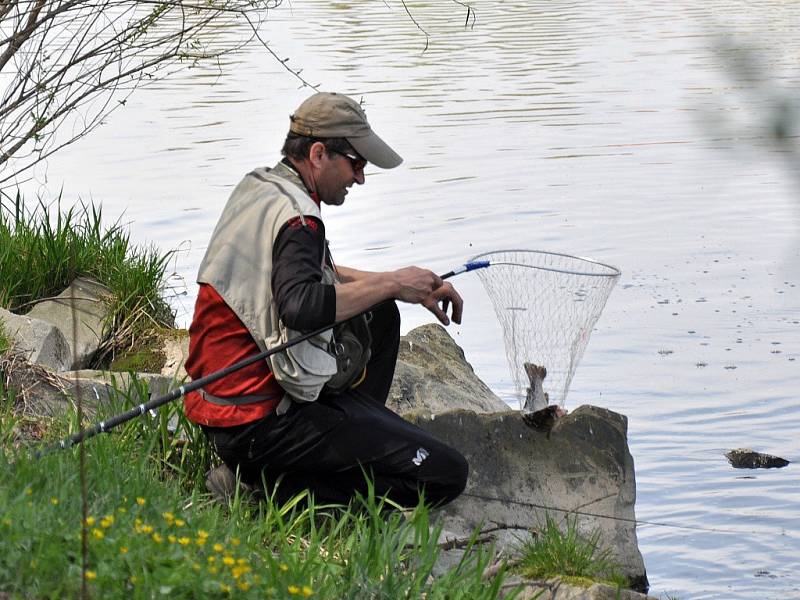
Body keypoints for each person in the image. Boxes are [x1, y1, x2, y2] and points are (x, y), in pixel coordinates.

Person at [184, 91, 468, 508]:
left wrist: (404, 285)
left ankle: (328, 444)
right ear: (318, 154)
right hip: (257, 423)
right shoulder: (300, 219)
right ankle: (269, 488)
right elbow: (299, 305)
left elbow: (305, 275)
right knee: (446, 474)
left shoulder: (263, 188)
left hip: (219, 409)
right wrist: (391, 283)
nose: (360, 178)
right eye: (356, 164)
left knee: (381, 314)